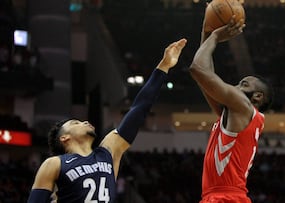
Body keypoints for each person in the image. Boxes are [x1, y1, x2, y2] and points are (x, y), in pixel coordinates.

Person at [27, 38, 187, 203]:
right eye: (76, 123)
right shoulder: (54, 164)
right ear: (64, 138)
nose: (84, 122)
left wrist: (163, 67)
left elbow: (139, 109)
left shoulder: (107, 153)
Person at [189, 16, 273, 203]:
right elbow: (205, 77)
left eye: (242, 84)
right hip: (221, 196)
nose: (235, 87)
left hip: (225, 197)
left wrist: (216, 37)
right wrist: (206, 35)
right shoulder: (235, 114)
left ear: (257, 96)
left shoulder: (243, 107)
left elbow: (197, 69)